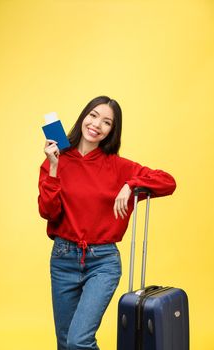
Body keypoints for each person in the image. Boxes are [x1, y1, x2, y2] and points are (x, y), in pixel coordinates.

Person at [38, 95, 176, 350]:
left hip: (102, 262)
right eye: (93, 115)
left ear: (112, 131)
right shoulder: (56, 160)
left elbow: (168, 182)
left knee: (79, 342)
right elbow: (48, 211)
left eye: (107, 122)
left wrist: (130, 184)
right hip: (63, 258)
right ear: (83, 116)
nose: (96, 125)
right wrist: (54, 167)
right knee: (65, 343)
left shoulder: (119, 166)